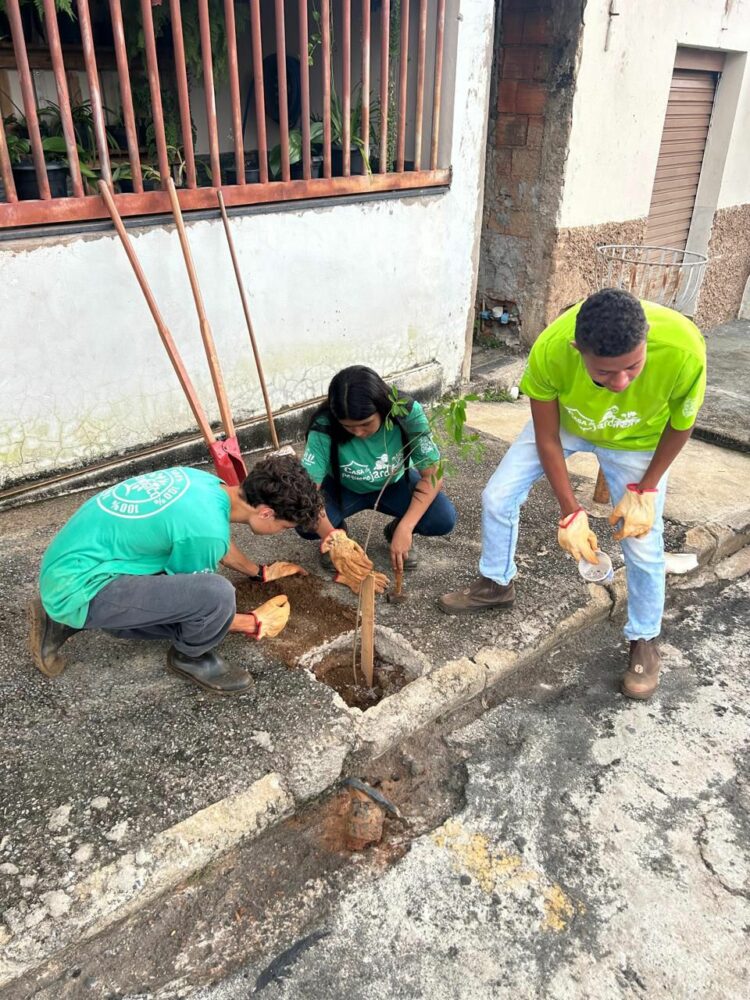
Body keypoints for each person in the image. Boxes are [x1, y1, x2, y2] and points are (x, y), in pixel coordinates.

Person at [439, 288, 706, 701]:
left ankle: (644, 639)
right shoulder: (550, 350)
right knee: (497, 496)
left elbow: (682, 424)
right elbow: (546, 437)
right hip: (568, 423)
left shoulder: (684, 346)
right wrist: (570, 510)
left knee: (643, 540)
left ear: (647, 337)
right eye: (604, 374)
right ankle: (496, 584)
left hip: (638, 441)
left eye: (633, 367)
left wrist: (646, 488)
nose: (620, 383)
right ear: (577, 349)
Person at [29, 455, 322, 695]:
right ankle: (190, 658)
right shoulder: (207, 533)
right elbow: (200, 602)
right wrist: (253, 623)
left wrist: (259, 572)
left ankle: (69, 611)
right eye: (284, 527)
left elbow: (210, 538)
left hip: (70, 563)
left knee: (201, 590)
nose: (280, 534)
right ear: (267, 513)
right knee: (217, 597)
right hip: (77, 587)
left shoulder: (207, 484)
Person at [299, 365, 456, 580]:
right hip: (343, 488)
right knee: (303, 520)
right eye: (348, 427)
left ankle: (395, 530)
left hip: (392, 485)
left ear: (381, 408)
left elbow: (432, 474)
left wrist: (406, 527)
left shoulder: (405, 413)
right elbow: (305, 493)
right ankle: (339, 529)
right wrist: (334, 538)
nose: (359, 433)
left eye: (366, 424)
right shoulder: (324, 425)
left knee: (442, 518)